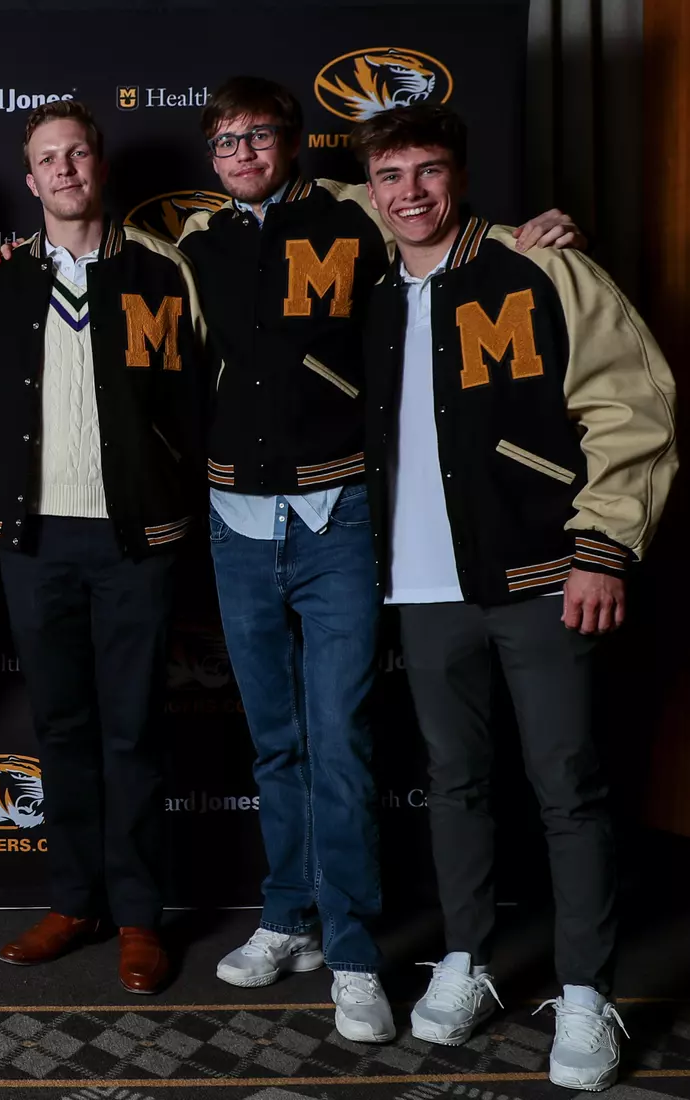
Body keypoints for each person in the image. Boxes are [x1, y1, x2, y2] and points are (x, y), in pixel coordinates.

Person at [172, 76, 583, 1043]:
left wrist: (537, 237)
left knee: (341, 739)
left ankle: (353, 955)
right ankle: (289, 918)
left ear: (293, 141)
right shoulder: (195, 242)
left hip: (340, 514)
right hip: (237, 520)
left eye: (258, 136)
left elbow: (435, 225)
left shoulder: (356, 215)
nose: (243, 154)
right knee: (275, 742)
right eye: (225, 141)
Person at [355, 104, 675, 1090]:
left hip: (542, 575)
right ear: (371, 190)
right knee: (454, 780)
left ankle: (586, 992)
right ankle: (469, 957)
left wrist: (602, 548)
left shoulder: (541, 267)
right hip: (423, 586)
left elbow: (633, 405)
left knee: (567, 783)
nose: (411, 191)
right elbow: (273, 201)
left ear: (460, 174)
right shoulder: (368, 287)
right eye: (391, 175)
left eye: (429, 170)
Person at [0, 101, 207, 995]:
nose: (65, 169)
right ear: (30, 180)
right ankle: (75, 903)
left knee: (133, 728)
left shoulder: (162, 269)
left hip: (134, 537)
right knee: (62, 727)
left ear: (99, 168)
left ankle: (141, 915)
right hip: (34, 538)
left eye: (78, 154)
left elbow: (203, 392)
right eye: (48, 158)